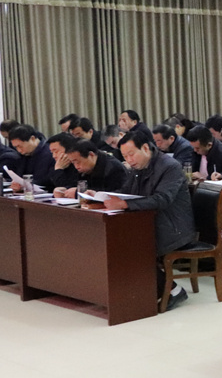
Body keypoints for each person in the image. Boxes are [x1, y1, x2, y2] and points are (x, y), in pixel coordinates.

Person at [102, 129, 197, 310]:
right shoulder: (138, 168)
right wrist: (103, 197)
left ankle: (173, 290)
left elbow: (162, 199)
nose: (129, 160)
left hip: (174, 228)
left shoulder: (170, 167)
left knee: (133, 246)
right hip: (150, 223)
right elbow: (127, 192)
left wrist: (125, 204)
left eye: (131, 154)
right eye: (125, 156)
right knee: (118, 241)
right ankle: (137, 290)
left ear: (145, 148)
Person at [52, 139, 128, 197]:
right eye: (73, 163)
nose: (76, 166)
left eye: (77, 162)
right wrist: (65, 190)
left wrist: (78, 193)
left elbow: (115, 194)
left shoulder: (113, 167)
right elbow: (75, 184)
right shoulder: (83, 168)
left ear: (91, 155)